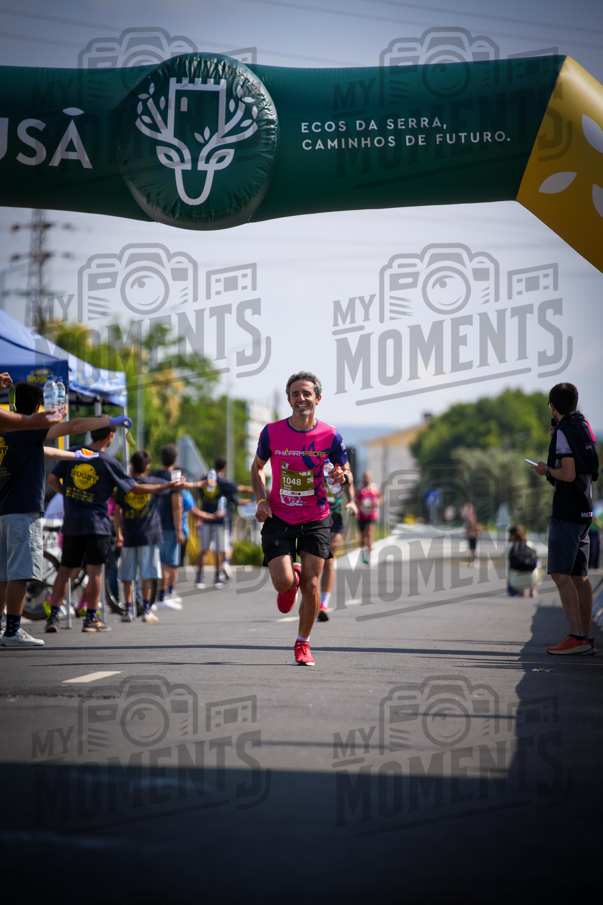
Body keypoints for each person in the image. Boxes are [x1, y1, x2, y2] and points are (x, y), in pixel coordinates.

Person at [0, 382, 114, 648]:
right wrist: (111, 419)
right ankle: (13, 631)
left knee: (3, 575)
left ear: (15, 404)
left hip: (3, 510)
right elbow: (73, 427)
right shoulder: (31, 428)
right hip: (23, 511)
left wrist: (76, 456)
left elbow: (45, 451)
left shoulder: (7, 433)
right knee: (18, 575)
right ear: (39, 406)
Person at [250, 371, 351, 666]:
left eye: (307, 393)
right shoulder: (272, 432)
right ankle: (289, 581)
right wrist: (261, 499)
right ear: (289, 400)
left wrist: (341, 475)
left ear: (317, 399)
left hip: (317, 517)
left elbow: (346, 474)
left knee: (312, 584)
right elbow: (257, 468)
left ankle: (303, 644)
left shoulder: (331, 436)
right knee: (284, 583)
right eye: (295, 394)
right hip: (280, 515)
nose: (301, 398)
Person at [46, 427, 182, 634]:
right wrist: (164, 487)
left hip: (73, 523)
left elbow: (52, 480)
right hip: (97, 524)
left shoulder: (72, 453)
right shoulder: (109, 463)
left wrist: (69, 496)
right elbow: (134, 488)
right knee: (95, 572)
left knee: (65, 571)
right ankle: (91, 618)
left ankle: (53, 617)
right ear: (110, 436)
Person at [531, 382, 599, 655]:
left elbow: (567, 474)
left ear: (553, 406)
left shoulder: (563, 432)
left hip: (567, 512)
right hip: (585, 511)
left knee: (559, 573)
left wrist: (546, 469)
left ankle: (576, 637)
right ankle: (587, 638)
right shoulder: (584, 427)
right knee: (579, 576)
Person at [113, 449, 167, 624]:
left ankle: (127, 610)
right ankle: (146, 610)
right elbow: (171, 487)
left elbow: (116, 511)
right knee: (147, 575)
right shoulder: (152, 482)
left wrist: (118, 532)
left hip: (129, 535)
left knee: (128, 575)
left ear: (131, 466)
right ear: (147, 467)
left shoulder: (124, 484)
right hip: (149, 535)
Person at [186, 456, 252, 590]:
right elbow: (241, 489)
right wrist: (260, 491)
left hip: (204, 518)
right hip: (220, 521)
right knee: (219, 551)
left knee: (203, 550)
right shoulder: (224, 482)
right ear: (225, 467)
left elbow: (195, 495)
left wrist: (196, 513)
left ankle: (199, 578)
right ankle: (217, 578)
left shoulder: (204, 479)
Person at [318, 465, 357, 621]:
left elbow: (349, 478)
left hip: (334, 515)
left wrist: (352, 501)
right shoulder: (313, 453)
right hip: (314, 514)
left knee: (328, 560)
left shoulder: (339, 459)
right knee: (313, 561)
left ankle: (323, 605)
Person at [151, 444, 184, 609]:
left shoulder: (153, 475)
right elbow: (176, 506)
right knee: (168, 564)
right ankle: (163, 596)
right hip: (169, 526)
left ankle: (155, 595)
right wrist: (179, 530)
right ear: (175, 459)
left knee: (154, 562)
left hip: (152, 525)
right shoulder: (175, 478)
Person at [507, 524, 542, 598]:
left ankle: (520, 590)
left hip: (515, 582)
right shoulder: (530, 544)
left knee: (512, 566)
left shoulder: (511, 546)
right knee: (538, 563)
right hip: (533, 579)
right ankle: (532, 589)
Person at [356, 471, 382, 565]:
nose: (367, 479)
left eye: (368, 477)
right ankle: (363, 553)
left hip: (372, 515)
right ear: (362, 478)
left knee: (369, 533)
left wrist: (378, 501)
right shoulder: (358, 488)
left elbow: (382, 497)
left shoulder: (375, 488)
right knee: (363, 536)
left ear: (371, 478)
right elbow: (354, 500)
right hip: (361, 515)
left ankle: (370, 554)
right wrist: (359, 504)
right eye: (365, 477)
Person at [461, 501, 481, 566]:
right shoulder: (469, 525)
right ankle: (471, 559)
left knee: (473, 549)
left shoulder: (475, 525)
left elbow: (478, 531)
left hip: (474, 538)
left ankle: (472, 559)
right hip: (471, 538)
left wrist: (476, 534)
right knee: (471, 549)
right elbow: (466, 531)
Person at [588, 504, 602, 570]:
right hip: (592, 531)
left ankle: (596, 565)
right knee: (592, 548)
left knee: (597, 548)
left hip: (597, 532)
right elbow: (594, 517)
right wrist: (599, 526)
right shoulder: (599, 508)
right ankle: (590, 564)